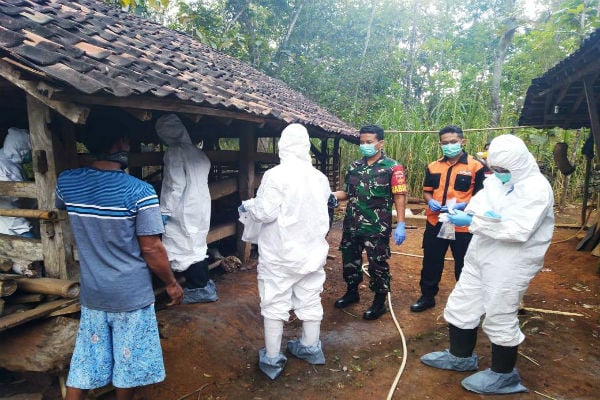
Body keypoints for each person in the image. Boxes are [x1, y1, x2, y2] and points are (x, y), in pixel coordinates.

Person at [56, 114, 184, 400]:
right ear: (120, 143)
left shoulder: (67, 183)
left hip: (93, 292)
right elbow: (151, 248)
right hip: (130, 295)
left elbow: (67, 208)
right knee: (128, 363)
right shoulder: (140, 192)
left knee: (85, 361)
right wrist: (172, 283)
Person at [420, 134, 554, 394]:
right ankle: (460, 356)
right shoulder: (495, 182)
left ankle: (504, 375)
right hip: (481, 252)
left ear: (519, 163)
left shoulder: (537, 188)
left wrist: (474, 222)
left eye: (504, 170)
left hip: (512, 261)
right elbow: (478, 204)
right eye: (496, 168)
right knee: (463, 302)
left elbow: (518, 231)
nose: (499, 173)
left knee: (499, 312)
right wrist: (466, 212)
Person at [239, 123, 331, 380]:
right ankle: (310, 347)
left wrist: (249, 207)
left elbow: (266, 212)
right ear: (306, 146)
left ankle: (271, 358)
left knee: (274, 302)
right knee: (310, 298)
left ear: (282, 145)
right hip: (312, 252)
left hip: (280, 254)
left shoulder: (275, 176)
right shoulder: (320, 178)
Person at [332, 124, 407, 320]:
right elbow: (347, 193)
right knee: (350, 260)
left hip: (376, 227)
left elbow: (399, 196)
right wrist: (330, 195)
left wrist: (400, 223)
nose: (364, 145)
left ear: (380, 143)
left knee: (377, 264)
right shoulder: (354, 167)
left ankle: (379, 301)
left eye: (369, 142)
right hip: (352, 224)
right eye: (362, 142)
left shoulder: (392, 167)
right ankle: (351, 292)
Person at [410, 125, 487, 312]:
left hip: (462, 225)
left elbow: (481, 197)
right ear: (440, 144)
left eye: (453, 142)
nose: (449, 145)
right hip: (436, 222)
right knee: (431, 261)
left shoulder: (476, 167)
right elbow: (427, 192)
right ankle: (427, 296)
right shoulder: (433, 166)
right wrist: (430, 202)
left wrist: (464, 206)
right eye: (445, 143)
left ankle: (467, 302)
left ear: (462, 141)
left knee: (464, 263)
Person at [155, 114, 217, 303]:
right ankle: (204, 283)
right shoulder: (199, 153)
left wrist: (164, 212)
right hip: (200, 206)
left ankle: (200, 288)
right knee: (196, 245)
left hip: (181, 208)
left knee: (182, 247)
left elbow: (175, 186)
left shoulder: (175, 152)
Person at [0, 127, 35, 238]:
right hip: (6, 210)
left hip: (13, 208)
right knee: (26, 234)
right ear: (22, 148)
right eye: (30, 150)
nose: (31, 154)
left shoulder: (11, 161)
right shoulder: (3, 163)